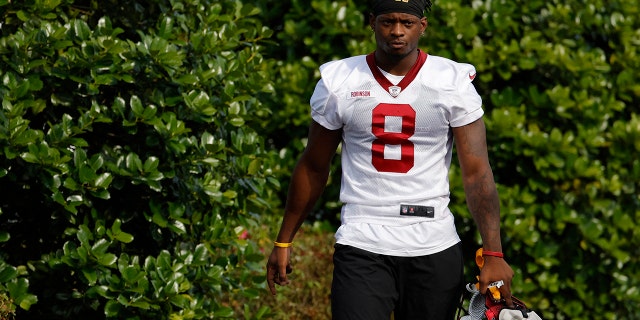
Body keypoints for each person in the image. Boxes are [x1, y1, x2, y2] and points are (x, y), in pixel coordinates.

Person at [266, 0, 515, 319]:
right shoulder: (339, 80)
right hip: (362, 236)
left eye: (406, 23)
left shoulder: (451, 81)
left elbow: (477, 172)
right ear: (371, 22)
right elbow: (314, 165)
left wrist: (493, 252)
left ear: (422, 26)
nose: (396, 31)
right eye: (387, 21)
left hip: (433, 239)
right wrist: (283, 240)